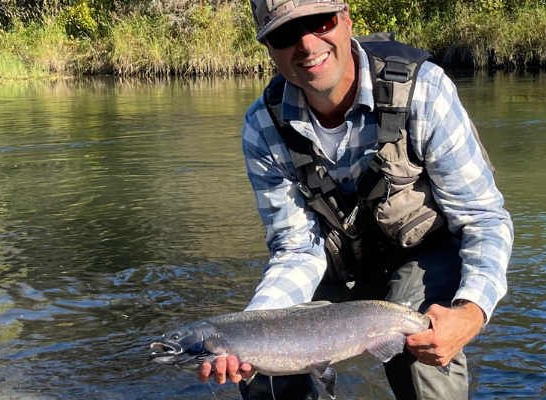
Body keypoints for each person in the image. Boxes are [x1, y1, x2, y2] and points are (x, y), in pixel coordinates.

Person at [192, 0, 513, 399]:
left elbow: (482, 219)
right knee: (260, 365)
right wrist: (250, 332)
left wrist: (470, 312)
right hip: (333, 265)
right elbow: (296, 249)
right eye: (284, 34)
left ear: (346, 20)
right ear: (268, 47)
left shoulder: (424, 91)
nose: (307, 45)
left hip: (421, 260)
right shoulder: (263, 128)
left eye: (319, 22)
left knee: (420, 345)